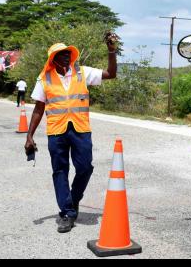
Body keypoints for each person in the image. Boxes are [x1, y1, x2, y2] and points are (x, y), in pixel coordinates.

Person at [24, 31, 119, 233]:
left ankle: (73, 199)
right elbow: (39, 109)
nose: (67, 56)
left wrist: (111, 52)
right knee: (60, 171)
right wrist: (29, 136)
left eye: (68, 53)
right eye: (62, 54)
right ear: (54, 59)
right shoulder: (44, 78)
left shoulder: (82, 72)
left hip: (80, 129)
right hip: (56, 131)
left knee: (85, 167)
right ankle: (67, 213)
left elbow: (111, 74)